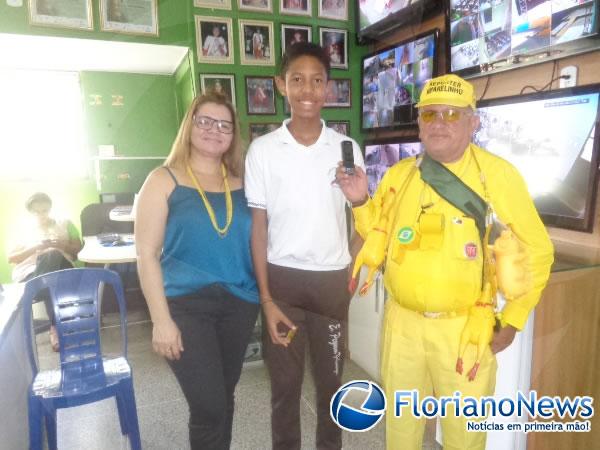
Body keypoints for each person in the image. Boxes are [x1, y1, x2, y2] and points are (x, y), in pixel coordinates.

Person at [336, 74, 554, 450]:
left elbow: (538, 250)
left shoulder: (497, 176)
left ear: (474, 122)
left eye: (452, 115)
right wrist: (359, 201)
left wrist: (514, 318)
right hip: (402, 324)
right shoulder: (400, 175)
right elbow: (379, 237)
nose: (439, 123)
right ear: (419, 122)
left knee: (463, 435)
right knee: (401, 428)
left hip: (464, 329)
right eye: (430, 114)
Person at [245, 42, 364, 450]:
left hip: (332, 285)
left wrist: (350, 269)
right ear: (281, 85)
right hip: (283, 284)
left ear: (328, 88)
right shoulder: (262, 151)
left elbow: (364, 218)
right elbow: (258, 228)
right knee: (284, 389)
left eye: (317, 81)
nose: (307, 90)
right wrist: (265, 297)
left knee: (332, 387)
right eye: (297, 80)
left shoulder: (346, 149)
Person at [135, 92, 259, 450]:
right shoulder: (163, 180)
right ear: (190, 125)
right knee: (209, 405)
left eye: (224, 125)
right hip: (185, 306)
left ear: (234, 135)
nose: (213, 130)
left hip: (239, 303)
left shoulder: (245, 182)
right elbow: (146, 253)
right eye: (205, 121)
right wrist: (161, 320)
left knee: (223, 395)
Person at [7, 192, 82, 352]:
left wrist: (62, 245)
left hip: (62, 268)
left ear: (51, 208)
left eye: (45, 210)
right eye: (37, 212)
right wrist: (36, 247)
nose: (42, 215)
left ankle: (55, 326)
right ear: (30, 213)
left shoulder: (65, 223)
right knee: (52, 277)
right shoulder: (22, 230)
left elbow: (78, 251)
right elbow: (12, 258)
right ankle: (56, 327)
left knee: (53, 258)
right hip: (31, 273)